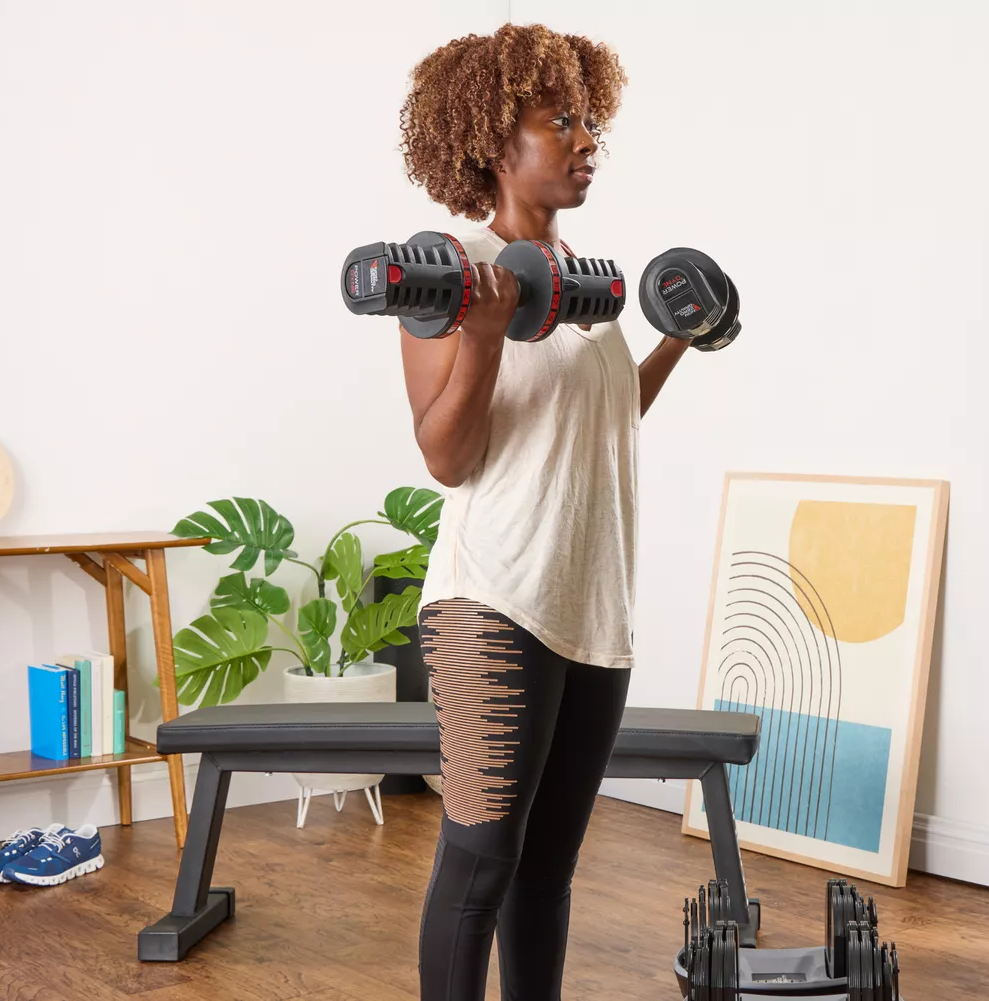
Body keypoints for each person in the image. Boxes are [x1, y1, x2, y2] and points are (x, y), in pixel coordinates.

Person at [395, 22, 692, 1001]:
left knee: (547, 872)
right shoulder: (454, 266)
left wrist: (675, 342)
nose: (586, 139)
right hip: (494, 602)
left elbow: (606, 419)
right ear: (491, 137)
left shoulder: (587, 288)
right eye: (560, 120)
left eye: (590, 120)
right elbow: (447, 454)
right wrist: (480, 339)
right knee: (482, 860)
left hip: (592, 610)